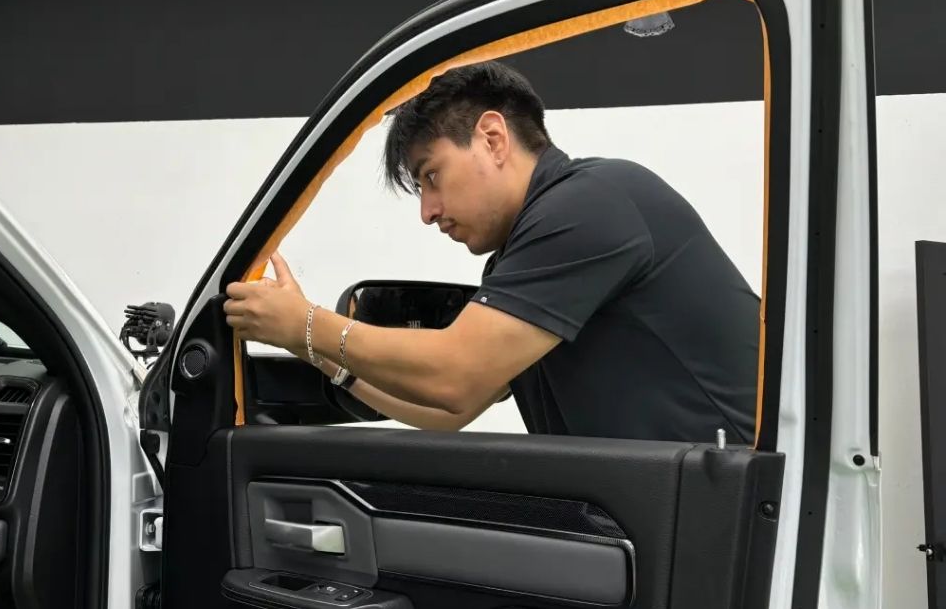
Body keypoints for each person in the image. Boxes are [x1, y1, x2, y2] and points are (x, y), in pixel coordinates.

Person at [224, 61, 759, 442]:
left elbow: (455, 372)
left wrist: (307, 324)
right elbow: (451, 407)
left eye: (432, 176)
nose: (427, 211)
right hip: (665, 512)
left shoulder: (590, 203)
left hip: (740, 511)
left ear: (493, 138)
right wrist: (306, 346)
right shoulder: (517, 256)